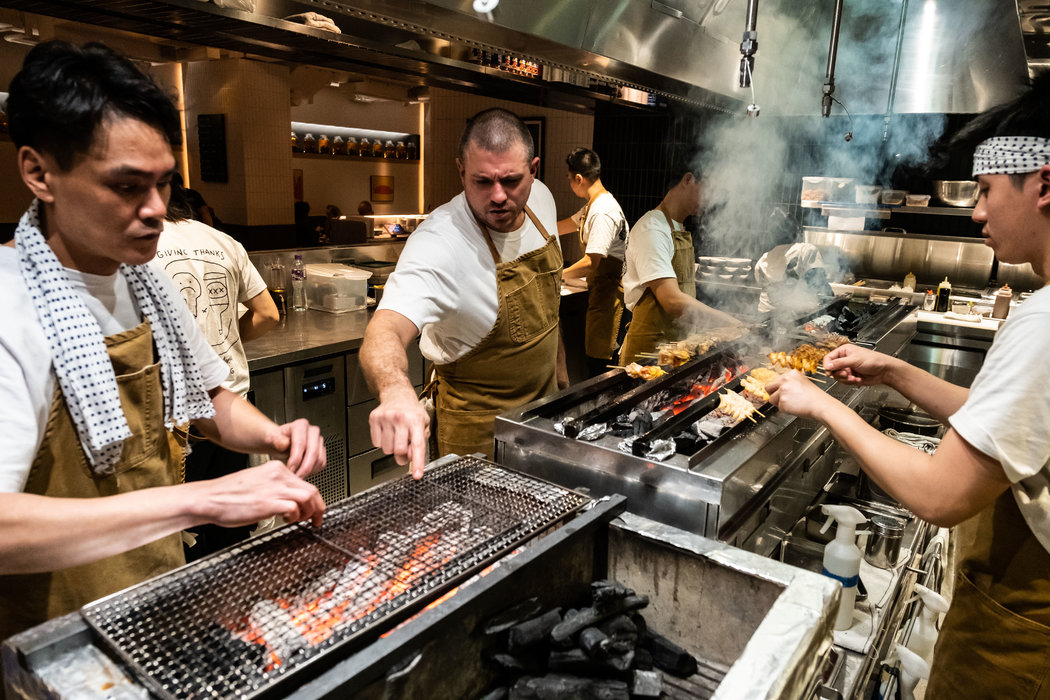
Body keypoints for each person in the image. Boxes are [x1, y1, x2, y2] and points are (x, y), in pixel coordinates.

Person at [0, 41, 326, 643]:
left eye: (164, 183)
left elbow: (210, 398)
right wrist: (200, 500)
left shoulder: (143, 280)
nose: (157, 210)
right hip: (58, 635)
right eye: (127, 186)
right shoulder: (9, 304)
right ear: (38, 172)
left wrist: (274, 436)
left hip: (151, 597)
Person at [767, 71, 1050, 698]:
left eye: (985, 190)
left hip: (1021, 635)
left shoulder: (1042, 323)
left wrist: (821, 405)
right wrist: (894, 370)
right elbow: (1006, 424)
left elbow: (940, 495)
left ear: (1043, 184)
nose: (976, 211)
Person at [360, 108, 564, 477]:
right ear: (460, 172)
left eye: (512, 180)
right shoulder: (440, 243)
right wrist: (394, 389)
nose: (498, 195)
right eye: (482, 182)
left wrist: (561, 373)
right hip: (477, 436)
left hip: (542, 417)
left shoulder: (543, 201)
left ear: (534, 170)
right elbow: (384, 330)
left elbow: (550, 308)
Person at [156, 180, 281, 560]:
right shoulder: (223, 242)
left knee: (184, 541)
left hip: (176, 422)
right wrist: (226, 341)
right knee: (231, 530)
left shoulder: (136, 248)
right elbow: (268, 314)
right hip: (232, 404)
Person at [619, 163, 742, 364]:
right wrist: (729, 322)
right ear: (688, 180)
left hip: (675, 351)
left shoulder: (677, 227)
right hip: (648, 355)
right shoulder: (653, 229)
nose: (712, 200)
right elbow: (672, 300)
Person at [557, 147, 629, 376]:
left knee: (600, 369)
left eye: (570, 179)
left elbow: (591, 262)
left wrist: (558, 274)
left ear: (579, 178)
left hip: (610, 297)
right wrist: (532, 228)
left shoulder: (602, 211)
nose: (570, 184)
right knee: (593, 362)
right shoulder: (592, 206)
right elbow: (568, 224)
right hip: (600, 291)